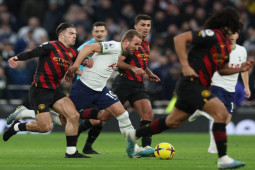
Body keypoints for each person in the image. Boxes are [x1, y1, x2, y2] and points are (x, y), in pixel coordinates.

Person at [125, 7, 253, 169]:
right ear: (229, 24)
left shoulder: (225, 46)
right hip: (191, 83)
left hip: (196, 86)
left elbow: (221, 69)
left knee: (172, 122)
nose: (237, 30)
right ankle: (223, 158)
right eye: (236, 26)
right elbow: (179, 39)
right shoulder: (212, 34)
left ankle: (134, 134)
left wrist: (239, 69)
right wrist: (185, 65)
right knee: (221, 112)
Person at [4, 23, 89, 158]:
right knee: (45, 127)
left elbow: (79, 61)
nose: (74, 37)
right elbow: (32, 53)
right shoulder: (50, 46)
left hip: (55, 90)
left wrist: (85, 63)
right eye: (71, 34)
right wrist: (16, 57)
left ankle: (71, 152)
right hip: (40, 89)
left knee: (73, 116)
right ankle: (17, 126)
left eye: (75, 34)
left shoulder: (73, 52)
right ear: (61, 35)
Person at [66, 29, 144, 153]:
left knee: (123, 114)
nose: (138, 47)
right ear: (126, 42)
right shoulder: (114, 46)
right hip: (84, 87)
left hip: (100, 90)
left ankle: (134, 148)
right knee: (62, 117)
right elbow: (88, 47)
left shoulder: (120, 53)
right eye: (136, 44)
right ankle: (27, 116)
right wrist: (76, 64)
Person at [188, 32, 250, 153]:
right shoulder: (218, 49)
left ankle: (201, 110)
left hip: (230, 90)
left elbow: (244, 70)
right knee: (219, 114)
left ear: (238, 35)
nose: (231, 36)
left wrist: (246, 87)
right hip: (216, 85)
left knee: (225, 120)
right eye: (229, 34)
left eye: (234, 34)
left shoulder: (242, 50)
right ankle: (213, 147)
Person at [112, 14, 160, 156]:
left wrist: (149, 73)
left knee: (148, 113)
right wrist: (133, 69)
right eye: (143, 25)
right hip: (123, 83)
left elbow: (141, 63)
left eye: (148, 25)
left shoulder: (146, 43)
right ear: (135, 27)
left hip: (138, 85)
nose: (146, 28)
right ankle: (78, 136)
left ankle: (145, 148)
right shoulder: (130, 42)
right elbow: (119, 62)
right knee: (103, 117)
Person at [76, 22, 108, 154]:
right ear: (93, 33)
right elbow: (73, 65)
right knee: (96, 119)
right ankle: (75, 130)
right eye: (97, 31)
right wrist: (85, 76)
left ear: (106, 33)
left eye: (102, 31)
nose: (99, 33)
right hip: (84, 86)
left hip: (99, 86)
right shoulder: (85, 47)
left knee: (102, 119)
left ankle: (87, 147)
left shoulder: (107, 47)